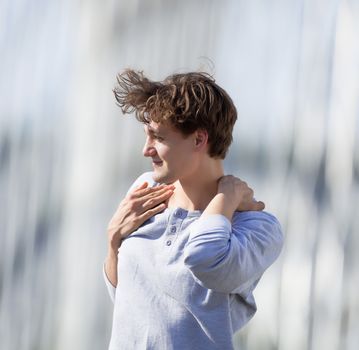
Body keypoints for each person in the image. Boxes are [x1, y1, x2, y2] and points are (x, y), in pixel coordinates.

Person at [103, 70, 283, 350]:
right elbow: (127, 302)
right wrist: (114, 242)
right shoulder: (146, 191)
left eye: (157, 137)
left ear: (199, 140)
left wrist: (226, 197)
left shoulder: (257, 228)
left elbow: (204, 258)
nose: (145, 150)